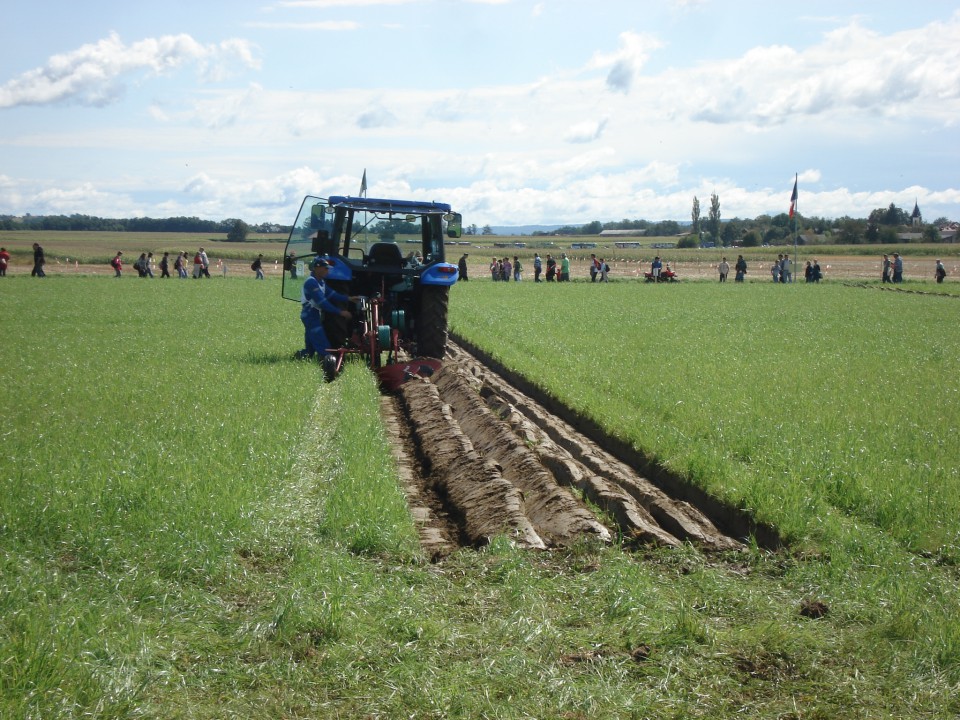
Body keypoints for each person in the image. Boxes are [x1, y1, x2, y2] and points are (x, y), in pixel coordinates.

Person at [298, 257, 361, 362]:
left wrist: (349, 298)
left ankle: (300, 357)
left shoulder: (321, 282)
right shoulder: (311, 283)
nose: (328, 270)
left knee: (310, 348)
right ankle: (327, 361)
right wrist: (341, 312)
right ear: (317, 269)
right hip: (310, 315)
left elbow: (333, 295)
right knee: (323, 344)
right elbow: (322, 303)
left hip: (314, 315)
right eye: (326, 268)